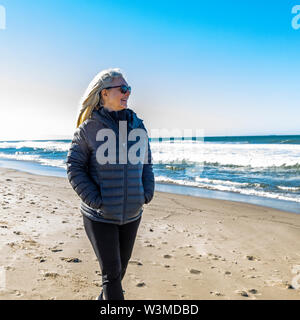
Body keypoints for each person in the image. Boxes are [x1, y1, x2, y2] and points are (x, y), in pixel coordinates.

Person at [66, 68, 155, 300]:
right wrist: (96, 200)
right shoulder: (89, 129)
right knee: (112, 276)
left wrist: (146, 192)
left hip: (132, 214)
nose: (128, 93)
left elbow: (146, 162)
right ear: (104, 93)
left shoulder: (137, 125)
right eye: (123, 88)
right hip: (100, 216)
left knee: (119, 273)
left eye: (129, 89)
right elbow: (74, 167)